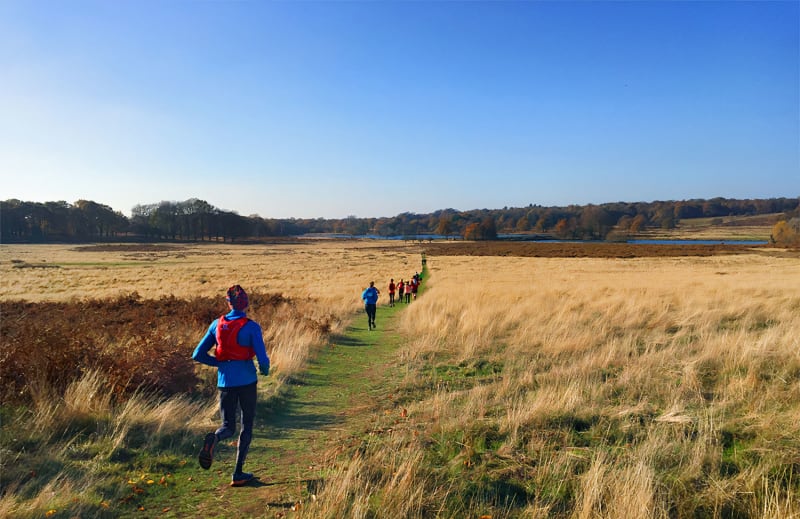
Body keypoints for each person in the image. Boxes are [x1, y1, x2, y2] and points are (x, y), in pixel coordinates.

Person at [192, 285, 270, 487]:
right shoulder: (252, 327)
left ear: (228, 302)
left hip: (224, 382)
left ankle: (214, 439)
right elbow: (263, 359)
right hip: (246, 381)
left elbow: (197, 354)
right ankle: (238, 473)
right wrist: (265, 370)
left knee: (227, 426)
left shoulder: (216, 325)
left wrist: (219, 364)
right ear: (246, 304)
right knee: (247, 425)